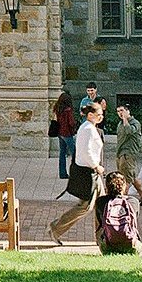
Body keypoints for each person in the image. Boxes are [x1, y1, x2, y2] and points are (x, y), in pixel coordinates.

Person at [48, 103, 105, 244]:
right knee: (85, 207)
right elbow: (86, 152)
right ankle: (56, 228)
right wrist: (96, 166)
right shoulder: (87, 129)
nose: (101, 117)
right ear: (90, 115)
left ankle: (102, 237)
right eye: (99, 115)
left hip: (92, 173)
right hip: (89, 172)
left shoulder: (89, 128)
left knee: (103, 206)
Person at [93, 171, 140, 254]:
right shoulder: (133, 201)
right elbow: (134, 224)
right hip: (131, 245)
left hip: (107, 247)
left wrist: (99, 241)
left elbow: (98, 227)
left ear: (106, 186)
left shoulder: (100, 201)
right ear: (124, 186)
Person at [114, 105, 142, 203]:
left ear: (128, 111)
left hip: (128, 154)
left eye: (122, 110)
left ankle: (122, 200)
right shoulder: (120, 123)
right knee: (131, 177)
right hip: (121, 154)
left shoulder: (135, 123)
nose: (120, 113)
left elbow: (129, 131)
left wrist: (125, 118)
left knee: (126, 179)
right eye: (118, 111)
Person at [53, 92, 78, 180]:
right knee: (74, 153)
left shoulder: (57, 108)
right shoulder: (68, 110)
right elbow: (71, 122)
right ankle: (76, 173)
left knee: (62, 153)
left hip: (60, 133)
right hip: (67, 133)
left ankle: (62, 173)